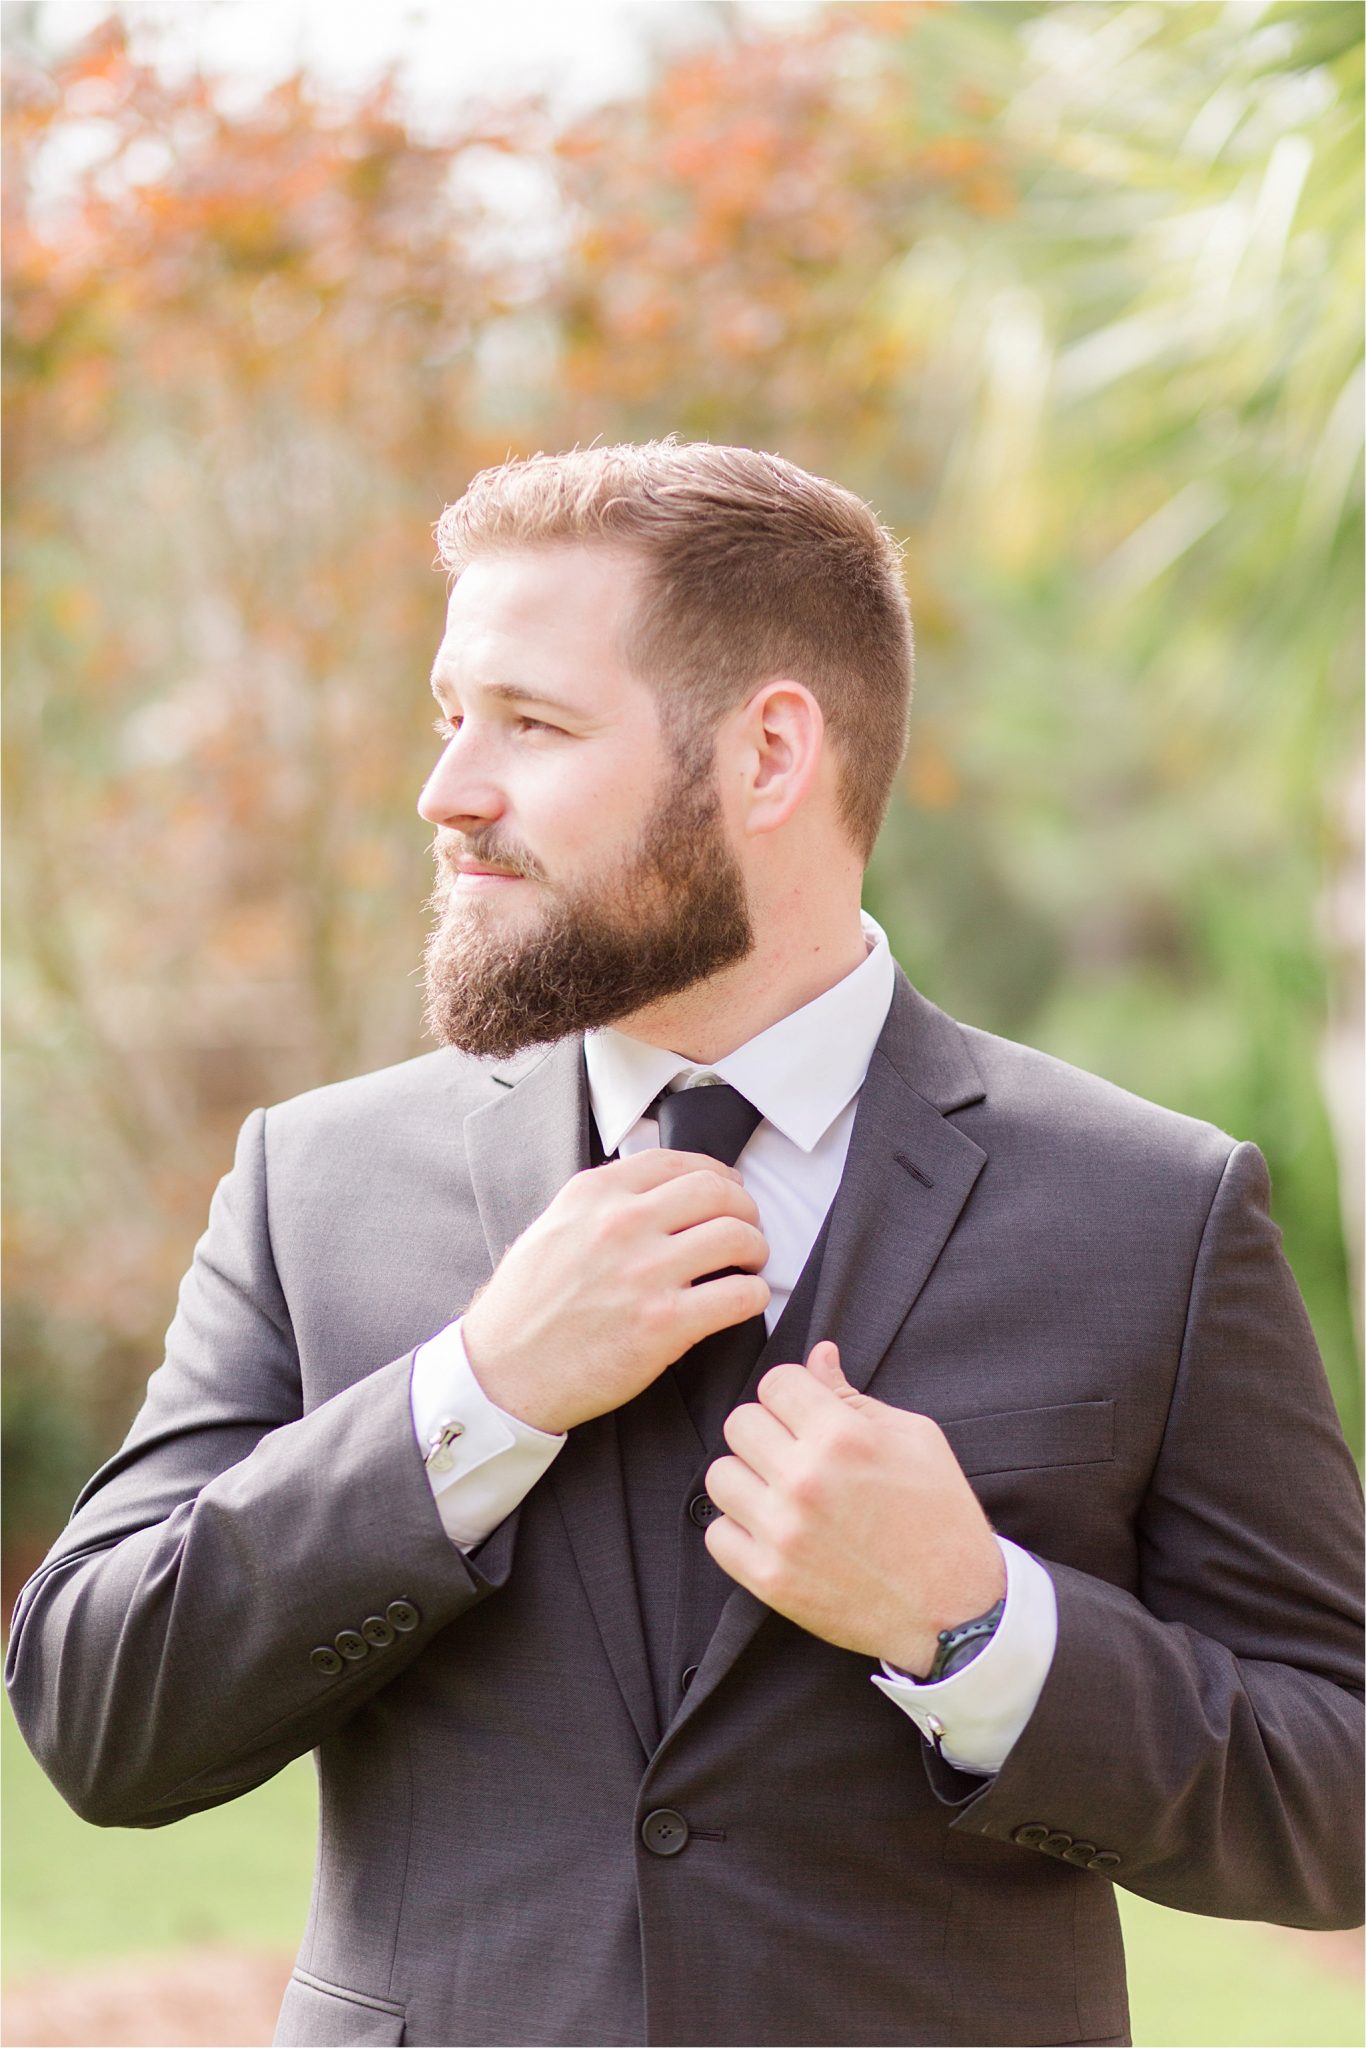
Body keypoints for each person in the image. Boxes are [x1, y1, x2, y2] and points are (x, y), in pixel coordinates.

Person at [7, 441, 1362, 2048]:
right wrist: (470, 1403)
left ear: (767, 753)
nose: (448, 789)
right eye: (452, 716)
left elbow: (1330, 1798)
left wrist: (979, 1627)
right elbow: (99, 1714)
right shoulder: (319, 1181)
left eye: (531, 722)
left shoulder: (1152, 1208)